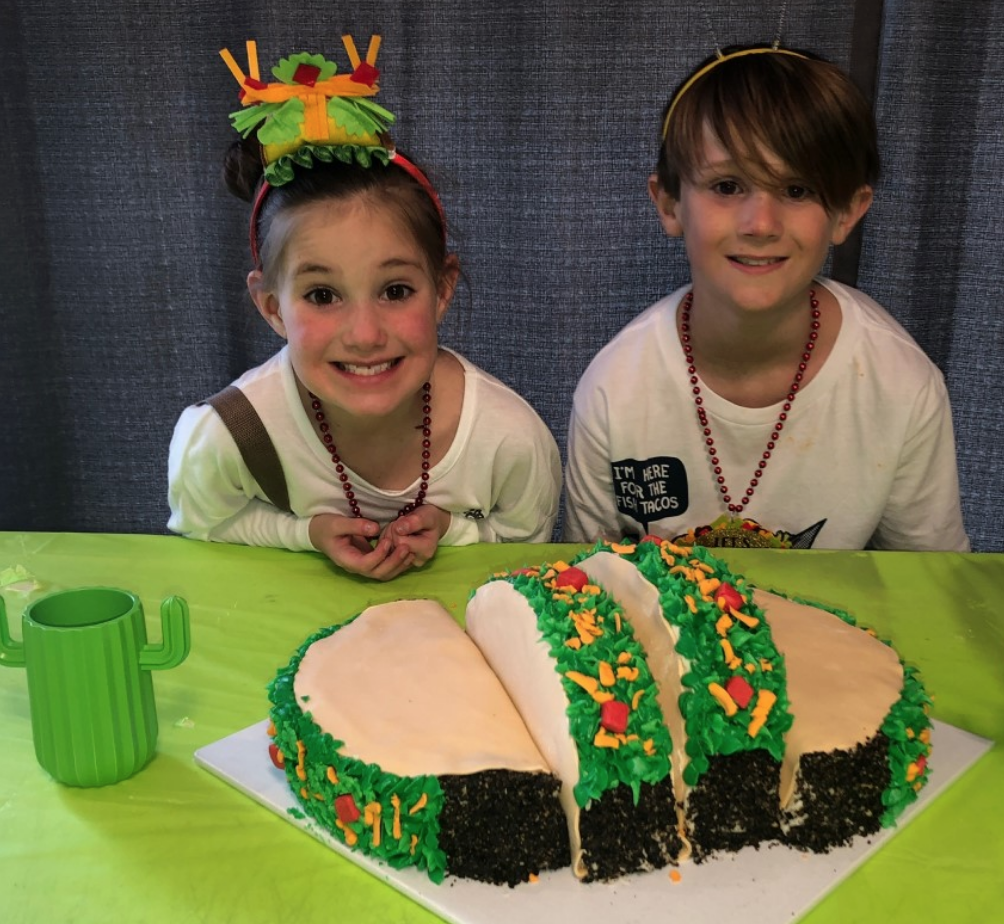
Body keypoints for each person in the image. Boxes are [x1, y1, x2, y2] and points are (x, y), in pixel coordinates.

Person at [169, 38, 561, 579]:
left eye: (395, 291)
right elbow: (202, 530)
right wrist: (302, 533)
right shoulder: (225, 438)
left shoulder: (510, 443)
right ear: (271, 306)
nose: (365, 334)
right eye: (322, 295)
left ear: (443, 288)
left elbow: (524, 554)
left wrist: (455, 530)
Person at [563, 44, 969, 551]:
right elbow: (586, 584)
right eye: (727, 185)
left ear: (847, 211)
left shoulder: (900, 385)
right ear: (669, 204)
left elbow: (928, 586)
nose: (760, 224)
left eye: (797, 190)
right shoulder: (614, 390)